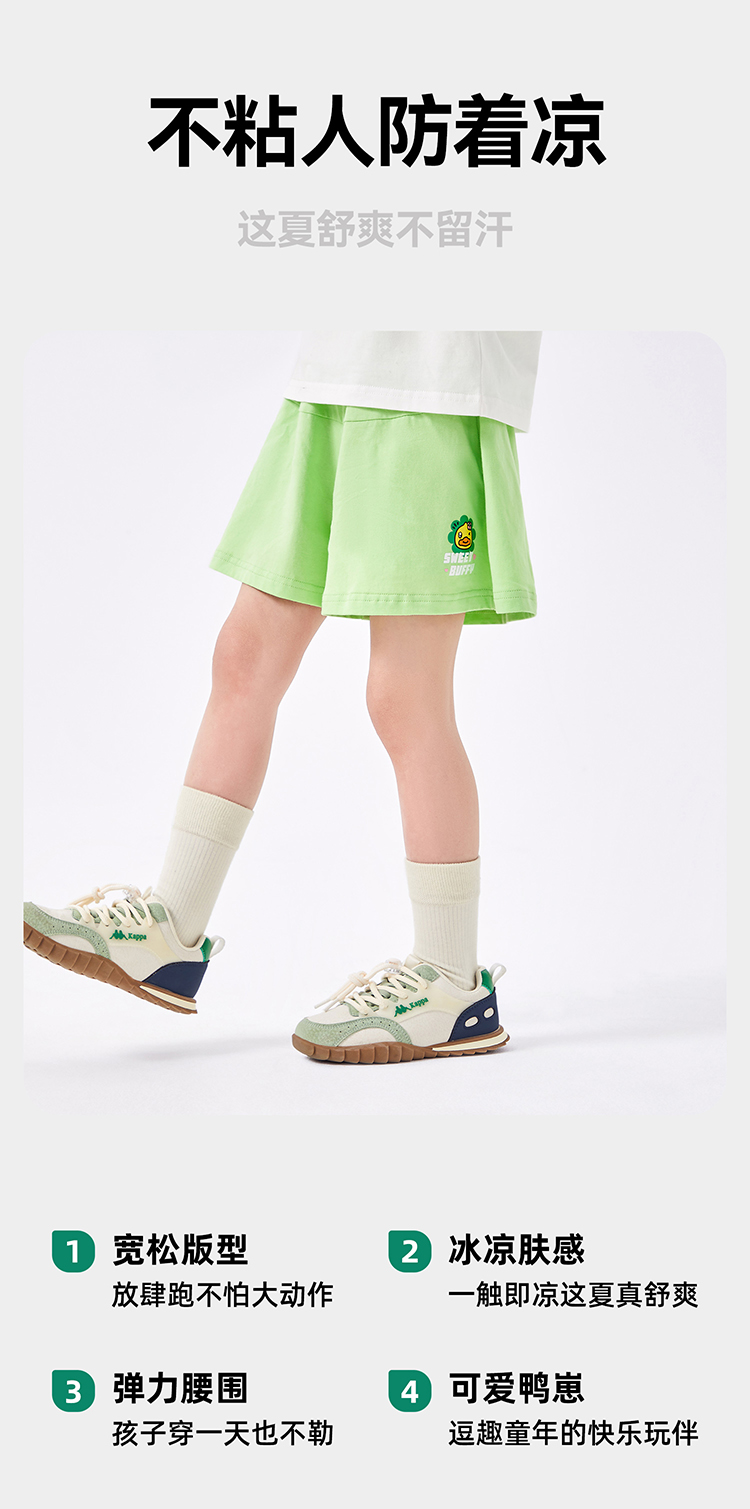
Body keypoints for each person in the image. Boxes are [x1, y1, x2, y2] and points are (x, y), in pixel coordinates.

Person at [23, 330, 541, 1064]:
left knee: (406, 697)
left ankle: (451, 982)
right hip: (335, 376)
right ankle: (172, 928)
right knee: (244, 656)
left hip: (432, 390)